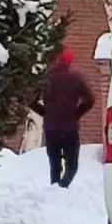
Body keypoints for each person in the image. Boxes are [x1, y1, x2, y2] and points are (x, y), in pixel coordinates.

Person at [32, 46, 95, 188]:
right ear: (70, 60)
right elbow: (90, 99)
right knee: (72, 165)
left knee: (54, 164)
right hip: (69, 128)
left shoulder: (45, 77)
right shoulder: (75, 77)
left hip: (51, 128)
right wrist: (76, 114)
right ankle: (62, 187)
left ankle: (55, 189)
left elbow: (31, 100)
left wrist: (45, 112)